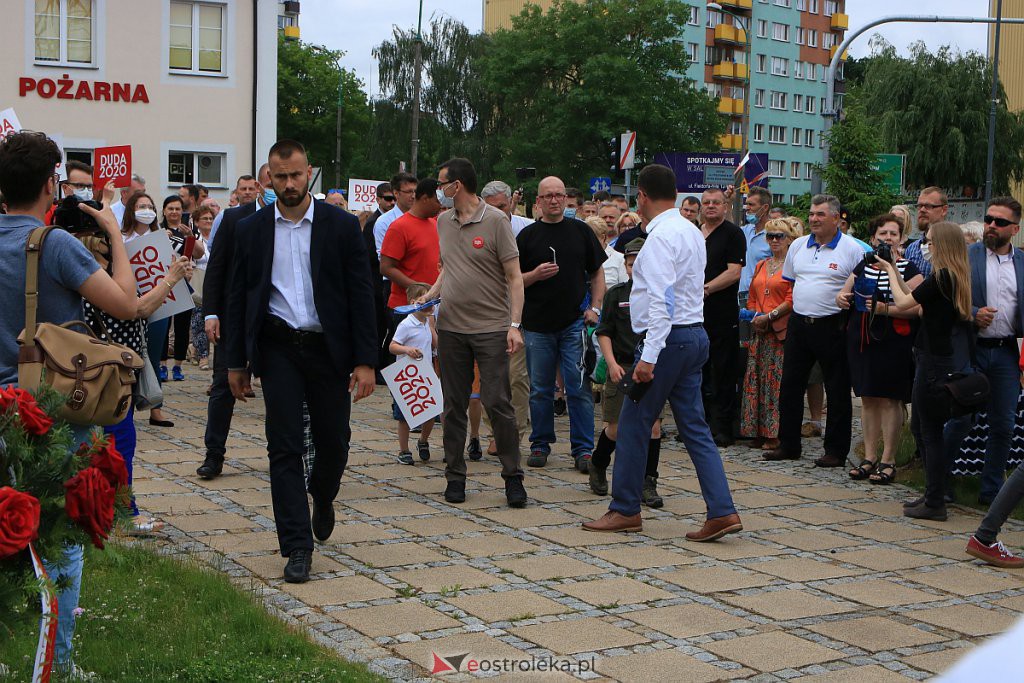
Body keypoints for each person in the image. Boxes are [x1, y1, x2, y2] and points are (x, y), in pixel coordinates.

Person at [0, 131, 184, 678]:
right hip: (50, 408)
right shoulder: (52, 243)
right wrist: (111, 231)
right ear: (51, 183)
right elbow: (126, 303)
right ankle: (55, 661)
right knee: (59, 534)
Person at [225, 139, 377, 582]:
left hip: (329, 348)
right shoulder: (250, 230)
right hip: (277, 347)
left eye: (296, 175)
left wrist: (366, 360)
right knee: (284, 445)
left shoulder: (341, 226)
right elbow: (239, 298)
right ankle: (296, 545)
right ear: (267, 177)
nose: (289, 184)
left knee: (335, 440)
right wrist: (236, 362)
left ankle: (323, 494)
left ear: (309, 172)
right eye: (280, 175)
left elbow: (362, 295)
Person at [582, 164, 741, 539]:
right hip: (694, 335)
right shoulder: (690, 231)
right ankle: (721, 509)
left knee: (634, 422)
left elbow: (661, 304)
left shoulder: (657, 241)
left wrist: (648, 358)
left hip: (666, 341)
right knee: (695, 427)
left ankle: (624, 509)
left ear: (641, 196)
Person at [421, 157, 527, 507]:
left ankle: (513, 477)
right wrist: (431, 294)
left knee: (498, 403)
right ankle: (455, 477)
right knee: (452, 405)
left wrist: (514, 325)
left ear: (458, 185)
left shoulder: (496, 221)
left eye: (442, 184)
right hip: (451, 328)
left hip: (491, 328)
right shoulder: (443, 222)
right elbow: (449, 268)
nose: (439, 191)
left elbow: (514, 278)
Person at [874, 222, 973, 521]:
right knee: (922, 427)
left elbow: (903, 302)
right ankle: (933, 493)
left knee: (927, 429)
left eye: (929, 242)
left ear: (942, 245)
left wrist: (890, 268)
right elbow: (917, 304)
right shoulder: (950, 277)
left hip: (933, 361)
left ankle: (935, 499)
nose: (925, 247)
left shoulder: (943, 276)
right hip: (935, 357)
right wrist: (897, 272)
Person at [764, 195, 864, 467]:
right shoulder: (798, 245)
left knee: (837, 388)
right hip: (800, 323)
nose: (814, 219)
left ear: (836, 218)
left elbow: (860, 285)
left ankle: (835, 449)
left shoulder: (851, 249)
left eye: (820, 214)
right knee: (790, 385)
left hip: (833, 324)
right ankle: (789, 444)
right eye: (811, 214)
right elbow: (792, 281)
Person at [517, 175, 607, 472]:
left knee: (578, 386)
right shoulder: (527, 237)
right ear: (538, 201)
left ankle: (583, 449)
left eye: (559, 195)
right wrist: (535, 275)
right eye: (548, 196)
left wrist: (595, 307)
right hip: (537, 324)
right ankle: (540, 443)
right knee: (540, 388)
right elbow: (513, 281)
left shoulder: (581, 232)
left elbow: (597, 274)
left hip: (574, 323)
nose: (555, 200)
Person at [943, 198, 1024, 506]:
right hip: (970, 348)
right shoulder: (967, 256)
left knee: (1003, 423)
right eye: (989, 218)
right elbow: (947, 298)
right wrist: (973, 312)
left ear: (1014, 229)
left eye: (1000, 222)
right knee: (960, 420)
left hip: (1005, 351)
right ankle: (941, 481)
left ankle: (991, 491)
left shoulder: (1021, 263)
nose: (991, 225)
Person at [837, 214, 922, 485]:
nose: (887, 238)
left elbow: (916, 308)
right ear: (873, 238)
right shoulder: (864, 264)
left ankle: (888, 458)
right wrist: (842, 298)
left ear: (901, 239)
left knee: (890, 398)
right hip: (862, 337)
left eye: (893, 234)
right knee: (868, 397)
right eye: (883, 233)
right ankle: (869, 455)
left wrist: (886, 308)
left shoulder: (908, 268)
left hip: (893, 339)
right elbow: (844, 293)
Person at [198, 168, 269, 479]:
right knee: (223, 387)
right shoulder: (233, 218)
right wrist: (211, 312)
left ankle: (284, 453)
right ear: (257, 185)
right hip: (234, 318)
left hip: (274, 321)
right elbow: (217, 268)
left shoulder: (295, 220)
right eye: (268, 182)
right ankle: (214, 454)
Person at [591, 237, 664, 507]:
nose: (636, 269)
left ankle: (648, 481)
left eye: (641, 264)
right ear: (626, 266)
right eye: (631, 264)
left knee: (653, 428)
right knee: (616, 428)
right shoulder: (617, 294)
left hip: (650, 367)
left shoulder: (660, 293)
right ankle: (598, 463)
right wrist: (610, 363)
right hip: (621, 365)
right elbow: (604, 331)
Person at [740, 218, 798, 450]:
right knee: (755, 380)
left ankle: (775, 431)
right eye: (770, 236)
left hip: (779, 330)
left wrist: (771, 315)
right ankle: (757, 429)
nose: (774, 240)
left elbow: (791, 298)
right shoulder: (762, 265)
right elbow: (754, 294)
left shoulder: (792, 266)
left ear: (789, 240)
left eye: (779, 236)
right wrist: (755, 316)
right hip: (760, 329)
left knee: (775, 382)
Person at [699, 187, 746, 446]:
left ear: (725, 206)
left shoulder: (733, 234)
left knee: (723, 371)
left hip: (722, 312)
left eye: (716, 202)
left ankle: (723, 427)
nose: (711, 206)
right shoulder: (694, 234)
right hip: (695, 315)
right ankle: (699, 425)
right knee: (697, 372)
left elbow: (733, 273)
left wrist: (705, 289)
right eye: (706, 202)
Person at [389, 283, 437, 465]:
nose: (430, 305)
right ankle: (404, 449)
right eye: (425, 300)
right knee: (404, 416)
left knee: (432, 411)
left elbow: (434, 345)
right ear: (412, 302)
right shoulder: (406, 324)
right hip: (407, 376)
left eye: (432, 301)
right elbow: (392, 346)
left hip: (425, 373)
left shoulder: (426, 323)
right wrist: (407, 349)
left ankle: (423, 440)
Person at [158, 194, 204, 383]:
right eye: (171, 208)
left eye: (178, 209)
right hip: (161, 283)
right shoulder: (157, 230)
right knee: (163, 325)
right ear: (164, 211)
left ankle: (177, 366)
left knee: (183, 327)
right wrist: (160, 237)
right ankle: (162, 365)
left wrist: (190, 237)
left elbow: (199, 254)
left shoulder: (188, 231)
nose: (174, 212)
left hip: (184, 283)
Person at [189, 204, 215, 370]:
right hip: (200, 283)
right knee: (199, 321)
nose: (208, 221)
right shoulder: (195, 240)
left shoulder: (218, 238)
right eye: (204, 218)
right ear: (197, 222)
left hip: (215, 283)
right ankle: (203, 356)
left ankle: (195, 348)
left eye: (210, 218)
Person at [903, 187, 949, 279]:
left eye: (928, 206)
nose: (922, 210)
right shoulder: (912, 248)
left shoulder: (954, 246)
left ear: (944, 210)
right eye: (919, 206)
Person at [739, 186, 773, 296]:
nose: (747, 208)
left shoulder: (774, 235)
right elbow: (730, 230)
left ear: (765, 207)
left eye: (751, 204)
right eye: (747, 204)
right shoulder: (746, 230)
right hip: (741, 295)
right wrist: (729, 204)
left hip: (761, 297)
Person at [585, 215, 627, 288]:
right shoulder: (580, 257)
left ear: (603, 237)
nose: (588, 242)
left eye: (591, 238)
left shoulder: (620, 259)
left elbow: (624, 289)